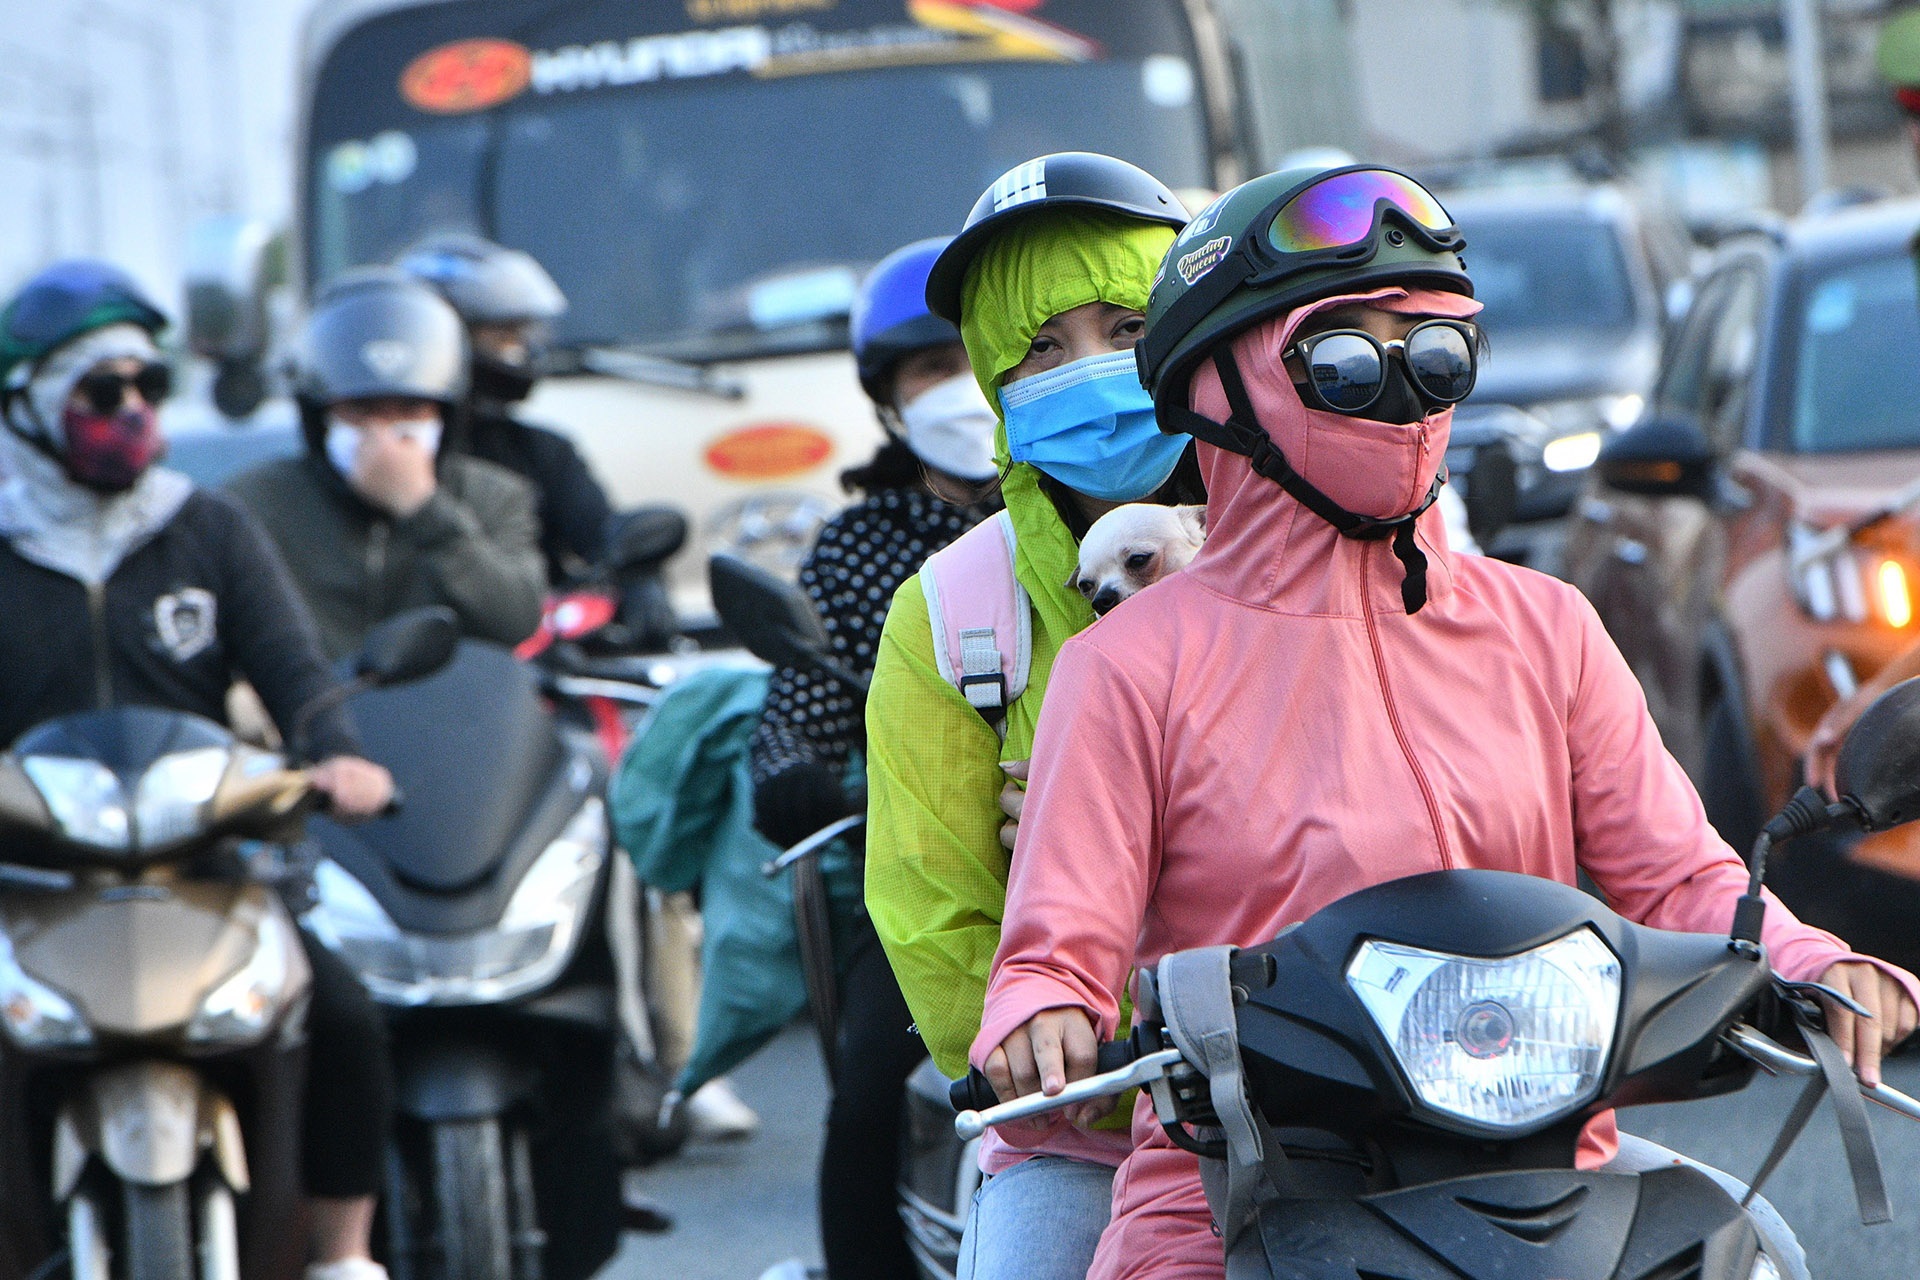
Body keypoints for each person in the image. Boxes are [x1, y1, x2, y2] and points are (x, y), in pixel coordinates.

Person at [972, 164, 1920, 1279]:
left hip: (1552, 1178)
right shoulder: (1126, 665)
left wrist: (1816, 959)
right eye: (1343, 358)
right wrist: (1041, 1006)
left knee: (1758, 1254)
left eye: (1431, 353)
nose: (1403, 394)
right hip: (1242, 1198)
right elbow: (1056, 939)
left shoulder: (1545, 624)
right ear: (1222, 388)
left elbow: (1681, 874)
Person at [0, 259, 398, 1280]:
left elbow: (295, 670)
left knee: (344, 1011)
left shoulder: (205, 526)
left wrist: (339, 756)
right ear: (27, 404)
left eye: (146, 387)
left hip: (206, 862)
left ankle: (343, 1252)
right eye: (100, 392)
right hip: (27, 877)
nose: (130, 412)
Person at [863, 153, 1200, 1280]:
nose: (1091, 368)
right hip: (1085, 1133)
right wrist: (1069, 1047)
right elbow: (935, 909)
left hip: (1359, 1101)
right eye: (1040, 347)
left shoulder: (1345, 547)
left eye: (1125, 325)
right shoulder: (951, 616)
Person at [749, 236, 999, 1280]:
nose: (964, 389)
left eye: (979, 357)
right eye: (931, 370)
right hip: (937, 875)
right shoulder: (857, 547)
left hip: (1146, 855)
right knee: (864, 1094)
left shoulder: (1131, 510)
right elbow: (792, 723)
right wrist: (810, 773)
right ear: (889, 402)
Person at [227, 269, 545, 659]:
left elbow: (515, 620)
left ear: (446, 414)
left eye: (409, 408)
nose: (385, 435)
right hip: (313, 713)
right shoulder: (256, 505)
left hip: (450, 712)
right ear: (320, 414)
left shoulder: (495, 497)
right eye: (362, 410)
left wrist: (425, 508)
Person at [396, 233, 615, 584]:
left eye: (522, 334)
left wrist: (638, 576)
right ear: (445, 340)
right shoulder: (373, 460)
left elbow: (606, 539)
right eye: (504, 336)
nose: (522, 351)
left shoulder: (542, 453)